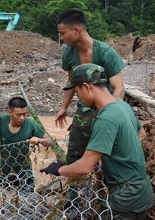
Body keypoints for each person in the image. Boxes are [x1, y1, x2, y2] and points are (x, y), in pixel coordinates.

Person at [40, 64, 154, 220]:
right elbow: (141, 134)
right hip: (141, 191)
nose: (78, 98)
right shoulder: (122, 106)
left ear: (87, 87)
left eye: (77, 92)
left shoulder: (106, 118)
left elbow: (84, 167)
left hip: (126, 199)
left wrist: (58, 169)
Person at [55, 8, 126, 165]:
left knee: (108, 158)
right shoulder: (69, 53)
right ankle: (74, 186)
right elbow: (71, 82)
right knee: (74, 156)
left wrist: (111, 117)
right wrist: (63, 108)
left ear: (76, 30)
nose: (61, 37)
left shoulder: (106, 52)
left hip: (106, 109)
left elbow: (119, 88)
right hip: (84, 112)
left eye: (63, 33)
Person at [0, 97, 50, 195]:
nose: (22, 118)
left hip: (24, 172)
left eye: (25, 114)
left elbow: (50, 140)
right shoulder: (1, 120)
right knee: (3, 202)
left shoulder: (30, 124)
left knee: (26, 203)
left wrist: (39, 140)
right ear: (10, 112)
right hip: (4, 172)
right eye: (18, 115)